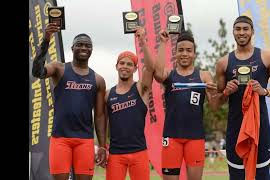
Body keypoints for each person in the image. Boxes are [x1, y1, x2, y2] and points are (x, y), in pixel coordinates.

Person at [215, 15, 270, 180]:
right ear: (233, 32)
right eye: (238, 29)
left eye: (245, 29)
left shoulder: (267, 58)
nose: (241, 32)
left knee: (262, 176)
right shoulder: (223, 63)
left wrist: (265, 91)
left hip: (260, 129)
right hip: (235, 129)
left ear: (252, 31)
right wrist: (226, 92)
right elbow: (215, 103)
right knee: (237, 177)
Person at [32, 23, 107, 180]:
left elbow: (99, 116)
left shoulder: (98, 80)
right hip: (61, 139)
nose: (83, 48)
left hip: (85, 140)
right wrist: (46, 39)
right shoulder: (59, 69)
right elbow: (37, 71)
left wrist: (101, 146)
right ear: (72, 48)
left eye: (87, 45)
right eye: (79, 45)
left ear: (91, 50)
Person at [153, 30, 219, 180]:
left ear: (194, 54)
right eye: (180, 50)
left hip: (195, 138)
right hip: (171, 137)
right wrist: (163, 43)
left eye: (189, 50)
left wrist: (216, 93)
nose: (184, 54)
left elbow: (214, 106)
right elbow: (157, 74)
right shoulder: (169, 75)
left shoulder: (204, 75)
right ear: (175, 53)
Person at [104, 27, 154, 180]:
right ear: (116, 66)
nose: (125, 66)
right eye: (122, 63)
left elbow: (151, 68)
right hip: (115, 154)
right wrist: (103, 146)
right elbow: (103, 124)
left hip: (139, 152)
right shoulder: (108, 94)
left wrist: (142, 41)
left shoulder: (140, 88)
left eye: (129, 64)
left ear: (135, 69)